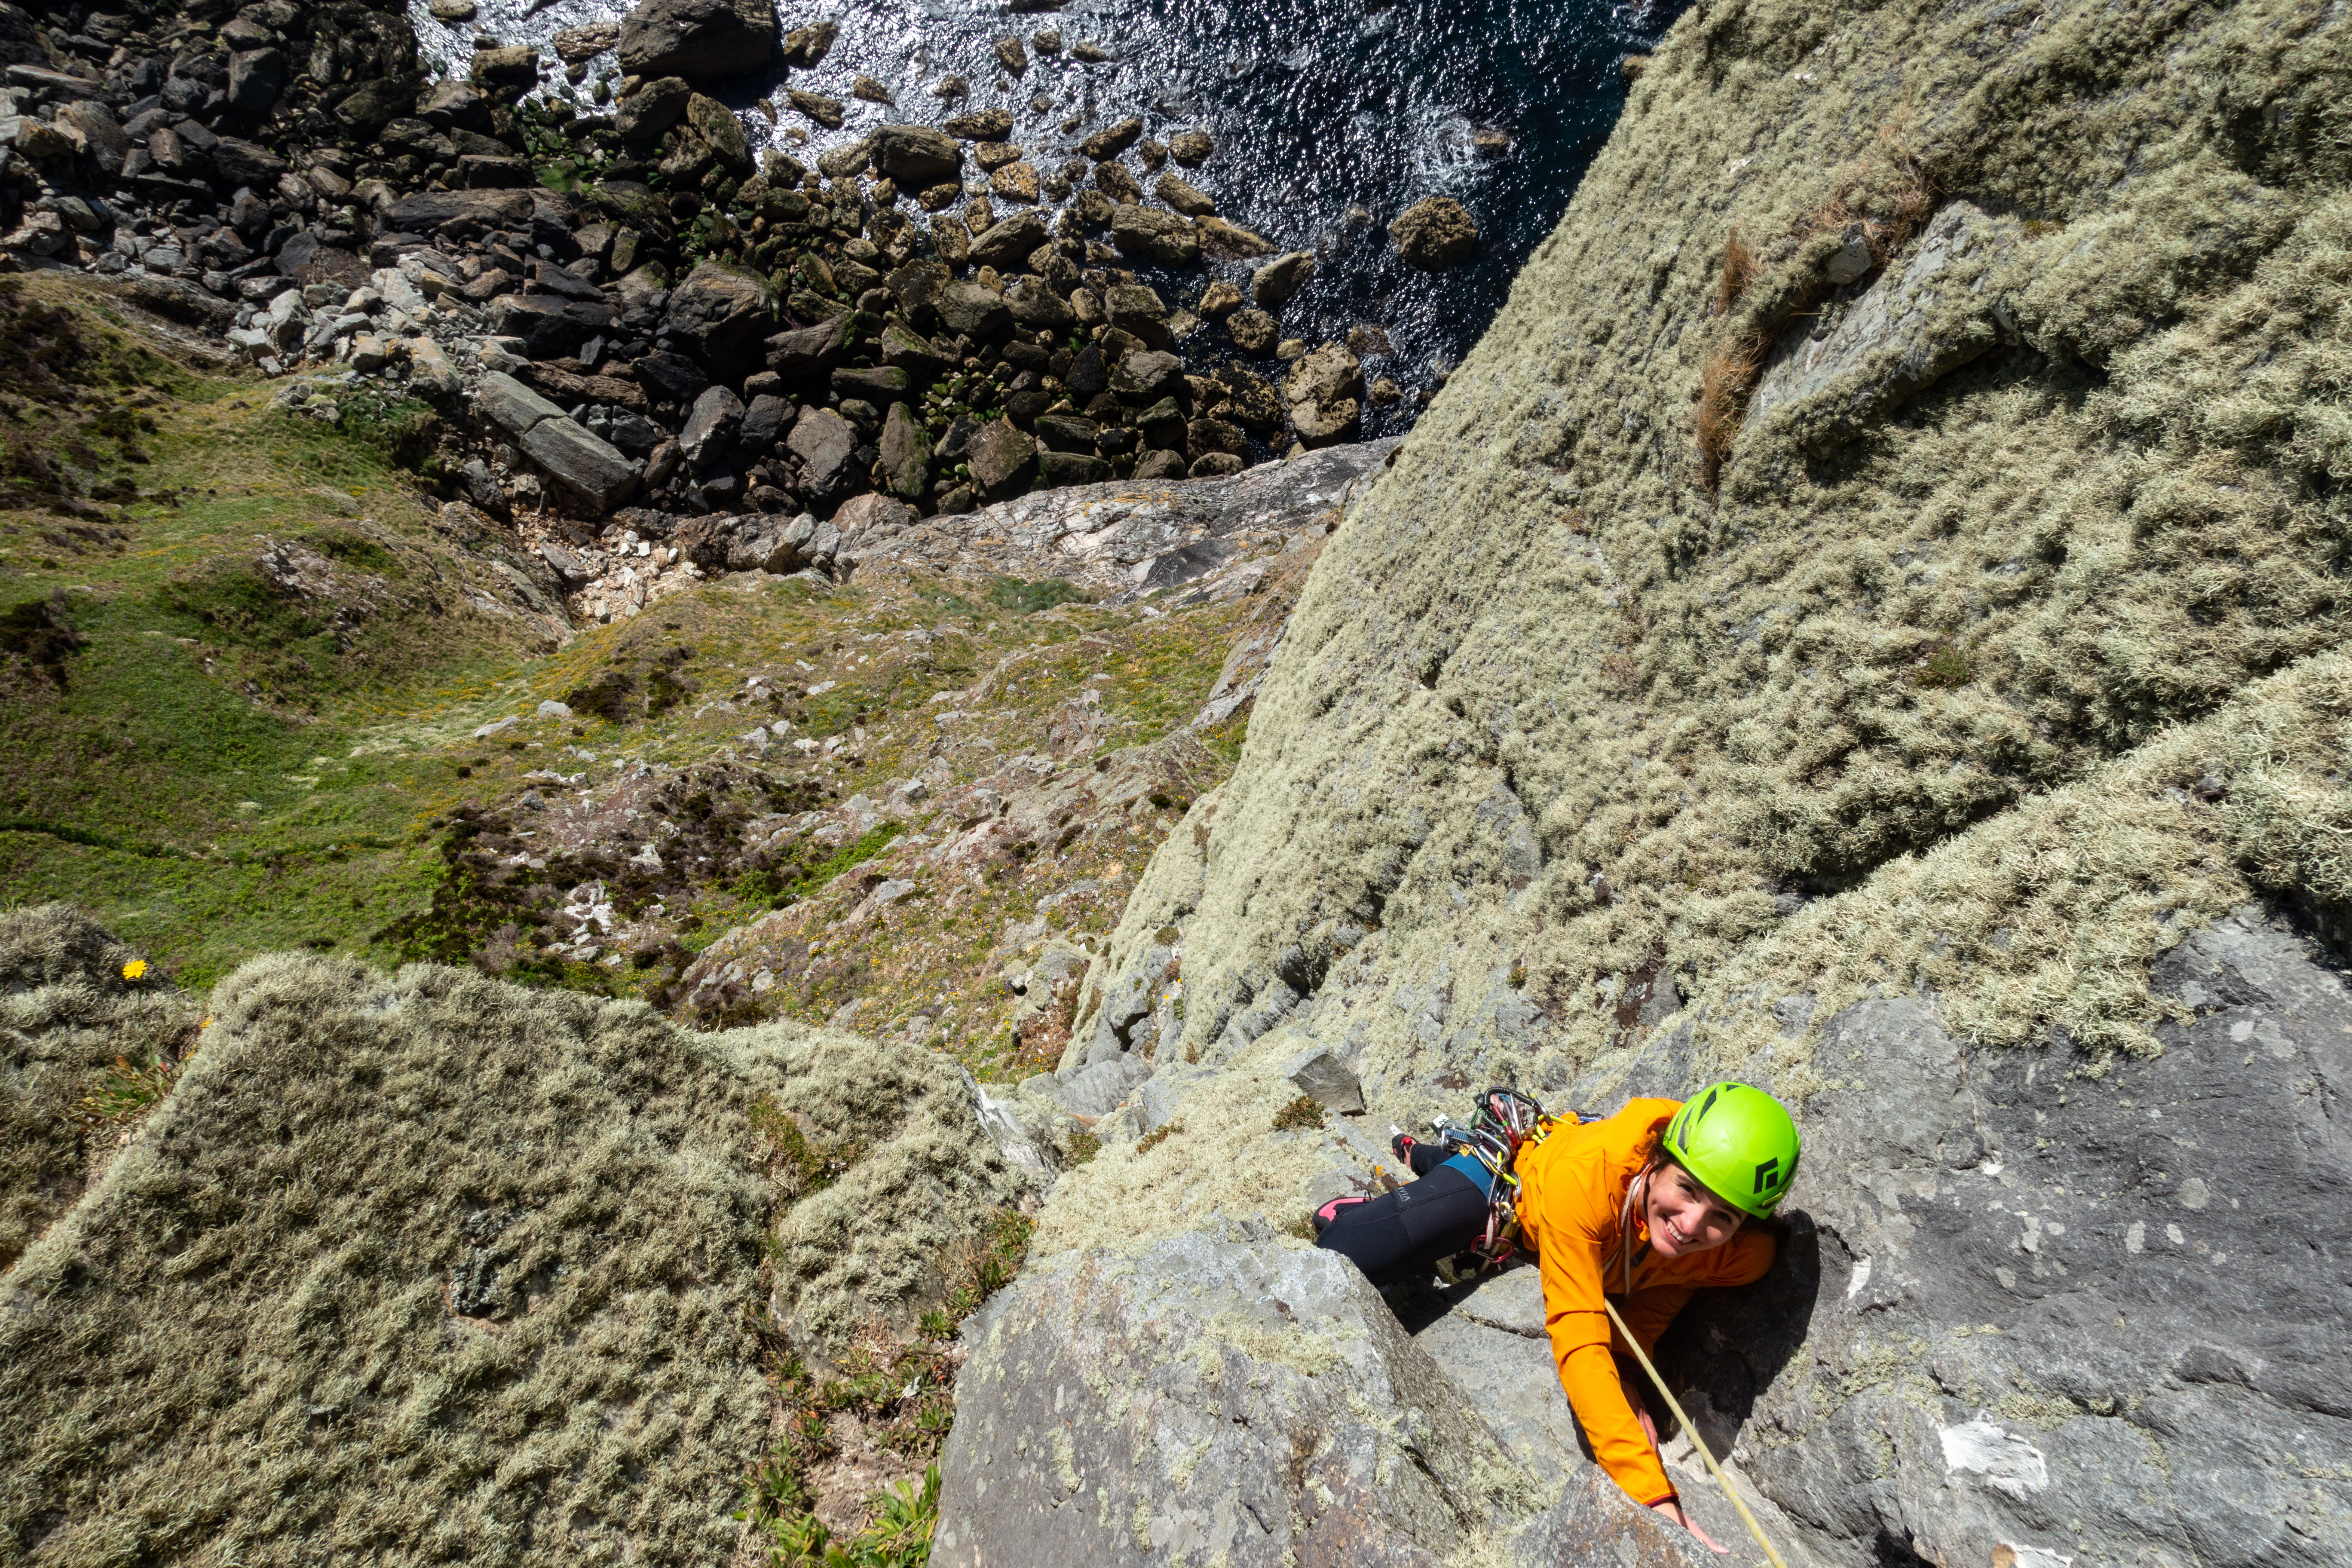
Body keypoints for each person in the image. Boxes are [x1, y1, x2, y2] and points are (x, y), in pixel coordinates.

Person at [1315, 1081, 1801, 1553]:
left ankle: (1422, 1153)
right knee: (1346, 1248)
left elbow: (1673, 1282)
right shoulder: (1589, 1179)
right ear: (1657, 1162)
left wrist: (1626, 1369)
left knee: (1431, 1180)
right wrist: (1652, 1494)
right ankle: (1413, 1164)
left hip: (1554, 1206)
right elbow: (1579, 1341)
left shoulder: (1741, 1257)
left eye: (1723, 1217)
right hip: (1511, 1184)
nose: (1692, 1225)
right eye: (1688, 1189)